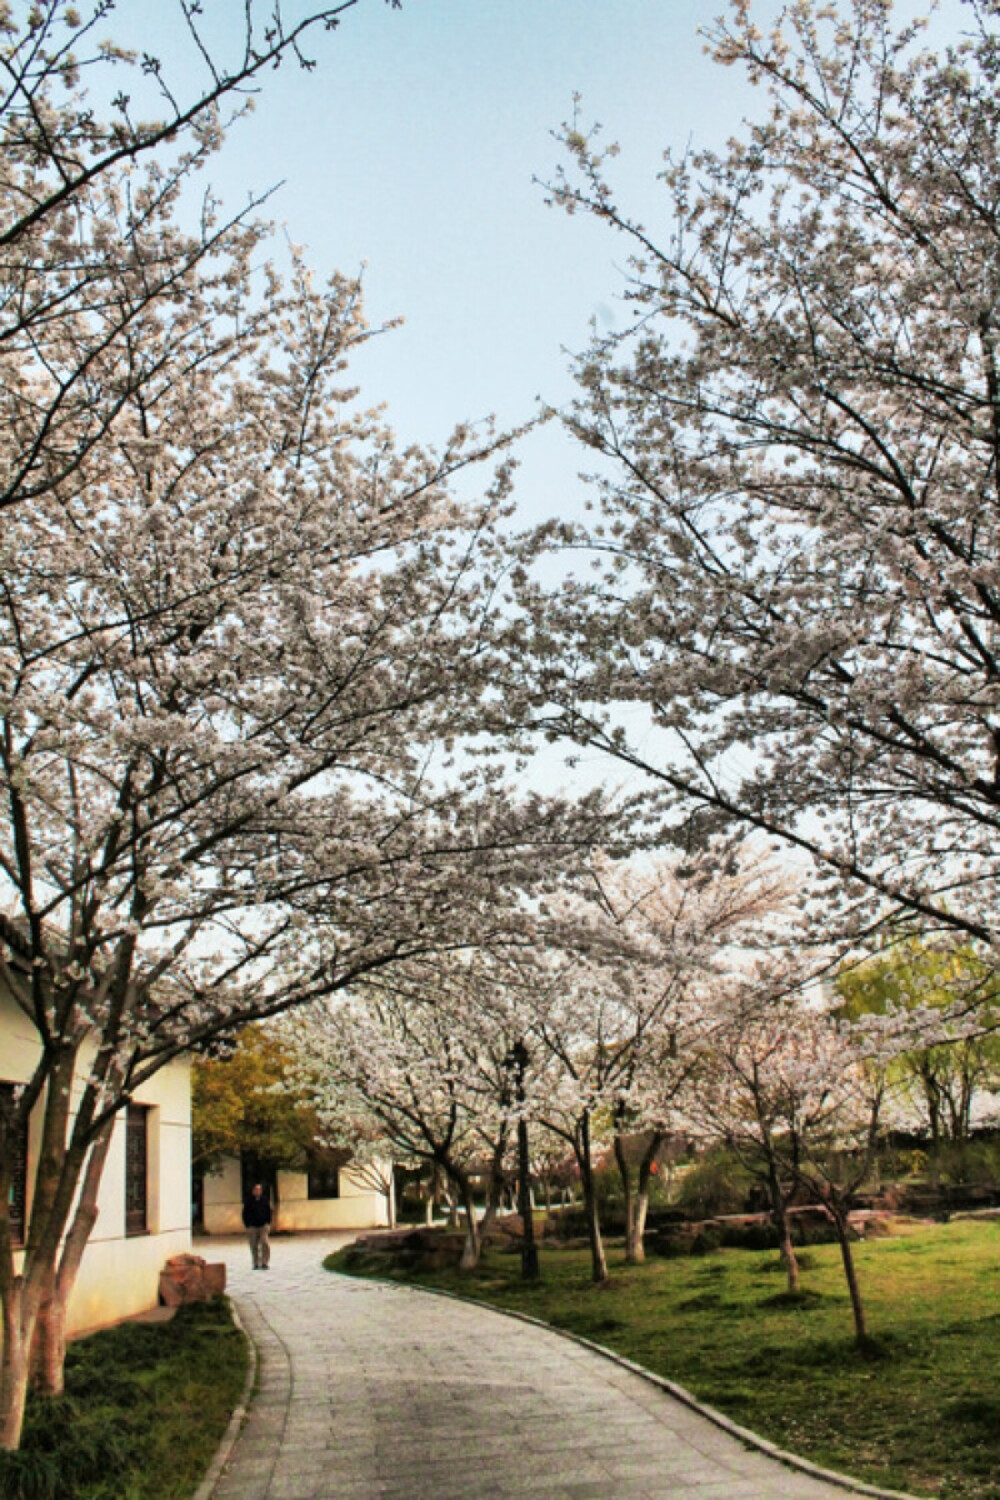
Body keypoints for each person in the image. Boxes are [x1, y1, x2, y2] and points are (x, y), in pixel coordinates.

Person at [242, 1181, 272, 1269]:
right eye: (256, 1189)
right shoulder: (248, 1201)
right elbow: (244, 1213)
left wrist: (268, 1222)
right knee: (253, 1245)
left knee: (264, 1243)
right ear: (253, 1191)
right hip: (252, 1226)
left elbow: (268, 1211)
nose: (257, 1191)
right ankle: (255, 1263)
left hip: (263, 1225)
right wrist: (247, 1224)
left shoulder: (264, 1200)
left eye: (259, 1189)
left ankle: (264, 1262)